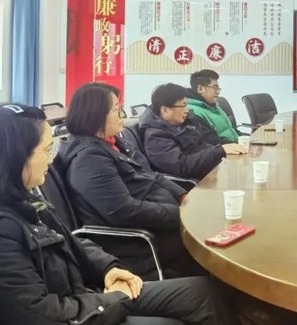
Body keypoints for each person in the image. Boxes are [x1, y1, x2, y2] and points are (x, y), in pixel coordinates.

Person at [0, 103, 238, 325]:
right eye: (46, 150)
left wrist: (107, 268)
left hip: (84, 294)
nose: (50, 160)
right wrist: (113, 299)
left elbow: (66, 240)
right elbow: (38, 315)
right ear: (15, 156)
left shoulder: (13, 196)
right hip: (78, 310)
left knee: (201, 292)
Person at [59, 82, 203, 280]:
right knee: (211, 246)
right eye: (116, 110)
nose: (122, 115)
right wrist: (180, 214)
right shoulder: (88, 159)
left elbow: (151, 175)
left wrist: (182, 196)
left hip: (162, 219)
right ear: (95, 115)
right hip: (140, 240)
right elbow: (123, 211)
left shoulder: (114, 142)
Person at [140, 83, 247, 181]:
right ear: (164, 110)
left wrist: (225, 150)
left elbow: (203, 144)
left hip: (211, 172)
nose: (187, 110)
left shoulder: (186, 122)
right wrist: (219, 151)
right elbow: (182, 166)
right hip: (193, 185)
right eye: (183, 105)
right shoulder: (155, 136)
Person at [186, 70, 239, 143]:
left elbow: (230, 130)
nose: (217, 92)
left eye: (218, 89)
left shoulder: (213, 106)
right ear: (200, 89)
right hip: (223, 149)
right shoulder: (193, 112)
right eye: (215, 88)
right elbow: (210, 142)